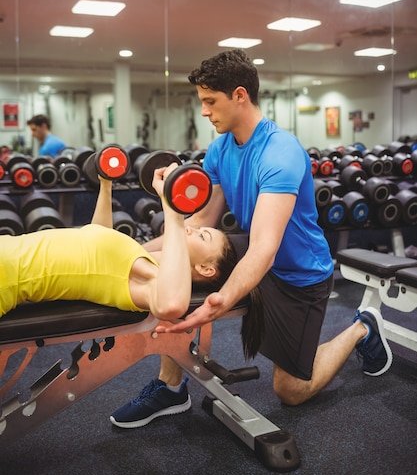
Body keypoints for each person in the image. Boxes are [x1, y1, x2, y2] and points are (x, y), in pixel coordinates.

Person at [110, 48, 392, 428]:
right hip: (257, 250)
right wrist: (129, 251)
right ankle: (170, 388)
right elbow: (198, 225)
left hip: (297, 273)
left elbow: (264, 247)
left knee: (291, 391)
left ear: (240, 95)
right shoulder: (221, 148)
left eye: (210, 101)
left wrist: (220, 301)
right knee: (180, 263)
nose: (204, 112)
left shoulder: (280, 153)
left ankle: (362, 327)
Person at [0, 163, 239, 325]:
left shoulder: (149, 277)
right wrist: (106, 184)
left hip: (7, 273)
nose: (191, 227)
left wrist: (174, 211)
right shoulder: (140, 257)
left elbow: (172, 305)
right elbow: (97, 237)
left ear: (206, 269)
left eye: (202, 235)